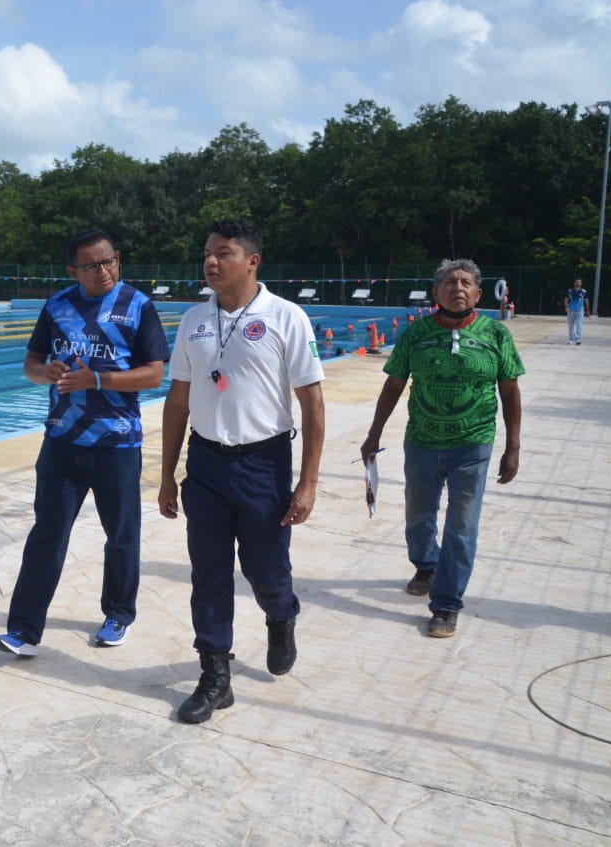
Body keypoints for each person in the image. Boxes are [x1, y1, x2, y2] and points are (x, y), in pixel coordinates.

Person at [158, 219, 325, 724]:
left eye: (223, 253)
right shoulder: (193, 320)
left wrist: (309, 481)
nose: (210, 262)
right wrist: (167, 473)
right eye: (207, 253)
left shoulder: (286, 317)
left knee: (264, 570)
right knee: (208, 574)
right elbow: (178, 398)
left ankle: (281, 613)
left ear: (252, 262)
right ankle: (214, 675)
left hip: (263, 465)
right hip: (205, 462)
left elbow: (312, 403)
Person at [0, 228, 170, 656]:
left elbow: (154, 374)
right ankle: (24, 631)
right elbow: (31, 363)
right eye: (91, 265)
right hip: (62, 440)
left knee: (121, 534)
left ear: (118, 260)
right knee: (47, 534)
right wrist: (45, 372)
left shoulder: (138, 307)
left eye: (109, 261)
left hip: (117, 443)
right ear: (74, 270)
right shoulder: (57, 306)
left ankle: (118, 614)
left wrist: (99, 378)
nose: (103, 270)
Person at [360, 259, 523, 638]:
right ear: (436, 292)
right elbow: (394, 385)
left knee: (462, 526)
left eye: (466, 283)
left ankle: (447, 604)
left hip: (474, 445)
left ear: (479, 294)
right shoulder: (416, 335)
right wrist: (374, 434)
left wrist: (512, 445)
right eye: (450, 282)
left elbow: (510, 392)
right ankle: (426, 565)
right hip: (422, 441)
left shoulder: (496, 335)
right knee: (419, 516)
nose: (458, 288)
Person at [564, 278, 591, 345]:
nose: (578, 283)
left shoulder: (583, 291)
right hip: (571, 310)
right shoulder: (570, 291)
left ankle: (578, 339)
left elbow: (586, 301)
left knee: (579, 325)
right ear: (574, 283)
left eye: (579, 282)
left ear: (581, 284)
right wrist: (567, 307)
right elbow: (565, 299)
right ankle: (571, 339)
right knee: (571, 326)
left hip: (580, 311)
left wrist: (588, 311)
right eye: (577, 282)